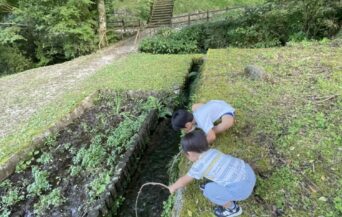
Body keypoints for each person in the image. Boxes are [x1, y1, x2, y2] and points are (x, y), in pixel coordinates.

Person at [168, 130, 256, 217]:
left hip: (242, 190)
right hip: (249, 173)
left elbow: (184, 180)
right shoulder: (214, 151)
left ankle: (233, 209)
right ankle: (226, 192)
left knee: (208, 190)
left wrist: (173, 187)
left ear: (190, 153)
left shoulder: (198, 166)